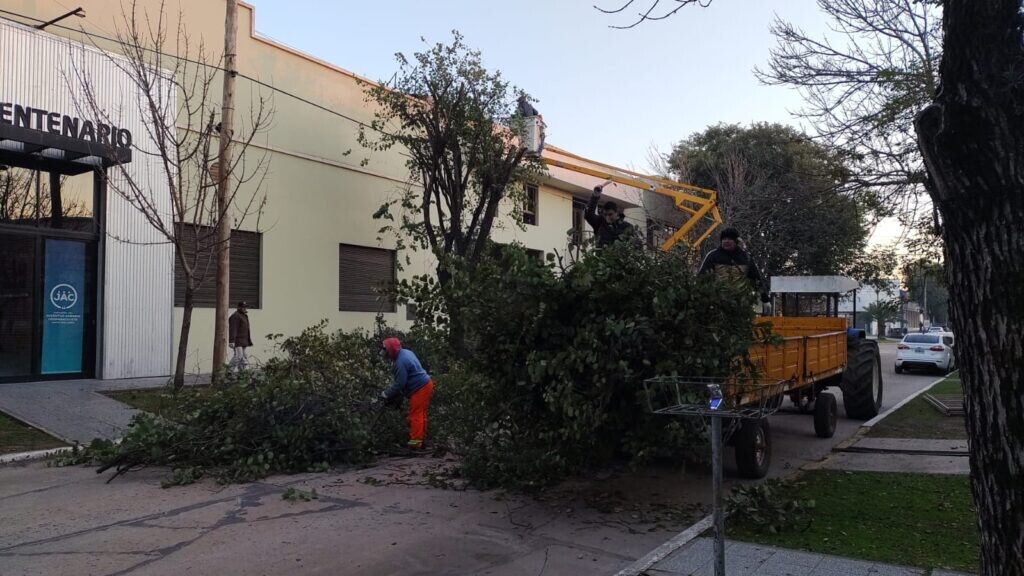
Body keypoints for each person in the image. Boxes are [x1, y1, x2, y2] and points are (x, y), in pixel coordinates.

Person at [379, 337, 435, 450]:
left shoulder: (400, 362)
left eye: (386, 350)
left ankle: (415, 444)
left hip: (420, 388)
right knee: (421, 414)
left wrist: (386, 393)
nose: (384, 353)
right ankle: (420, 440)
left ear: (391, 350)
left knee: (416, 415)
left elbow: (400, 383)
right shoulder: (406, 352)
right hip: (426, 384)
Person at [698, 227, 770, 303]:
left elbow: (756, 280)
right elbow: (702, 278)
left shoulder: (745, 258)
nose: (726, 241)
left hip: (740, 302)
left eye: (729, 239)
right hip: (717, 302)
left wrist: (765, 300)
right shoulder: (713, 256)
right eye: (724, 239)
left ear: (736, 241)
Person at [585, 183, 637, 247]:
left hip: (619, 256)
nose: (607, 217)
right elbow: (589, 215)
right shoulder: (599, 223)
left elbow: (635, 246)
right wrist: (595, 196)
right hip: (601, 256)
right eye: (605, 214)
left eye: (610, 215)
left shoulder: (627, 227)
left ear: (617, 213)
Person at [228, 301, 252, 373]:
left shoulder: (244, 316)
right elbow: (233, 329)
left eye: (245, 307)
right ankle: (228, 372)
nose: (244, 308)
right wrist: (232, 341)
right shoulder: (235, 316)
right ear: (238, 307)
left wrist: (248, 340)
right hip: (237, 341)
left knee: (244, 357)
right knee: (238, 356)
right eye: (243, 307)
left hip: (243, 340)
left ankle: (242, 374)